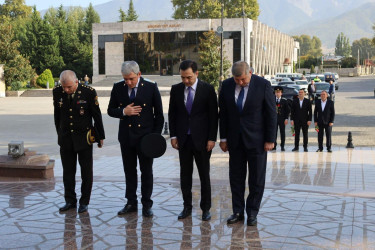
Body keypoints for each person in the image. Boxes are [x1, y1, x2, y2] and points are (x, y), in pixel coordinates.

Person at [219, 61, 276, 226]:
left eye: (243, 79)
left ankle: (252, 212)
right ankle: (237, 211)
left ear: (250, 72)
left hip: (258, 141)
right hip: (235, 141)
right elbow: (223, 114)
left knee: (256, 178)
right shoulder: (227, 85)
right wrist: (223, 139)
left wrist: (270, 140)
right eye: (237, 80)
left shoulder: (263, 85)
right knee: (236, 178)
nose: (240, 83)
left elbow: (271, 114)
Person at [107, 61, 164, 217]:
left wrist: (155, 137)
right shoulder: (118, 87)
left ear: (139, 74)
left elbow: (159, 115)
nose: (128, 82)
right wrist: (124, 111)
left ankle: (147, 204)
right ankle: (131, 202)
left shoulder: (151, 87)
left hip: (146, 138)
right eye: (125, 79)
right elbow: (110, 110)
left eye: (131, 79)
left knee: (146, 172)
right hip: (126, 137)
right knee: (129, 171)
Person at [168, 60, 218, 221]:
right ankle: (187, 207)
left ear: (196, 73)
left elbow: (213, 117)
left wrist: (212, 138)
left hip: (202, 141)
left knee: (204, 175)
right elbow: (172, 114)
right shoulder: (176, 89)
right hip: (184, 140)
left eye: (188, 77)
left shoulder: (208, 89)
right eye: (183, 78)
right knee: (185, 175)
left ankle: (205, 209)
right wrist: (173, 136)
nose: (186, 81)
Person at [53, 70, 105, 213]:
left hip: (84, 139)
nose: (66, 90)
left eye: (69, 87)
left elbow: (97, 115)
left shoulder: (88, 92)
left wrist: (100, 136)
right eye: (64, 87)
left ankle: (84, 202)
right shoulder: (57, 92)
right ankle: (70, 201)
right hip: (66, 139)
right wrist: (60, 134)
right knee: (68, 172)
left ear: (77, 82)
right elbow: (57, 116)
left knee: (86, 172)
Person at [273, 86, 289, 151]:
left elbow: (287, 111)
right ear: (274, 93)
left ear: (281, 93)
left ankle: (282, 146)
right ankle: (274, 145)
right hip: (274, 119)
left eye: (279, 92)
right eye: (276, 92)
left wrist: (286, 118)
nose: (277, 93)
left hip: (282, 119)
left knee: (282, 133)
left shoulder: (284, 101)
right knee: (274, 133)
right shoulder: (272, 100)